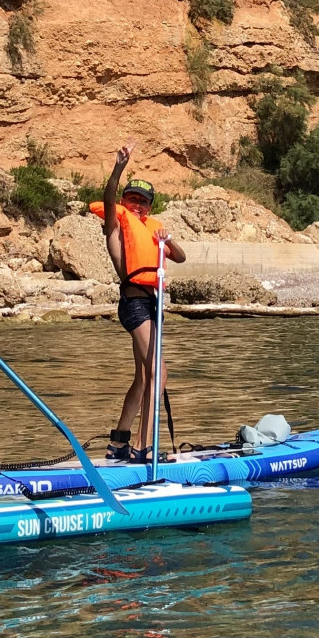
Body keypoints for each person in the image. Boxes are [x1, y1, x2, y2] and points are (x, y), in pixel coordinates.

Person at [97, 142, 185, 460]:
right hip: (134, 305)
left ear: (149, 207)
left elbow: (182, 257)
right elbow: (108, 198)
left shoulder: (152, 231)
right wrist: (119, 167)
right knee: (159, 373)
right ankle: (143, 447)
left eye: (143, 202)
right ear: (124, 201)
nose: (137, 205)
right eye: (132, 199)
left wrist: (167, 240)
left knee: (145, 376)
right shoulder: (115, 230)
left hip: (152, 306)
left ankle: (119, 442)